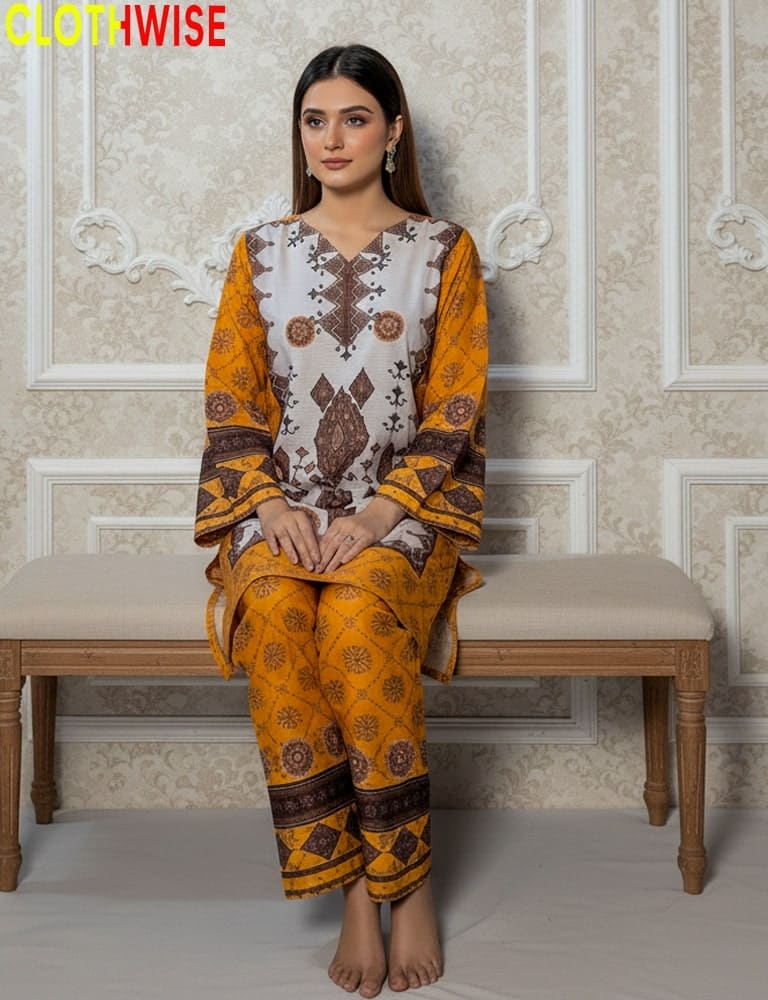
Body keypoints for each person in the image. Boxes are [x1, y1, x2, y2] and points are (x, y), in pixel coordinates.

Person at [194, 43, 488, 997]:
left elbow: (455, 410)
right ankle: (356, 884)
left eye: (354, 118)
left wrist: (377, 516)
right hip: (275, 505)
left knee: (356, 615)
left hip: (408, 508)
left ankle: (408, 883)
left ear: (393, 131)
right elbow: (232, 403)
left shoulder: (445, 251)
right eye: (315, 120)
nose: (332, 138)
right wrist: (269, 503)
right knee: (280, 610)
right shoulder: (260, 253)